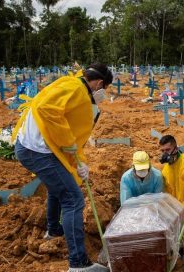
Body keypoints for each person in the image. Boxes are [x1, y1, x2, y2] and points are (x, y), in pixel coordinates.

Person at [12, 63, 113, 272]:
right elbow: (46, 109)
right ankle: (78, 263)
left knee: (59, 188)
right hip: (38, 150)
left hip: (40, 148)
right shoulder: (76, 89)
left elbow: (73, 134)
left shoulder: (74, 86)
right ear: (100, 83)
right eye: (105, 88)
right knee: (73, 199)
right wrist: (69, 144)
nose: (103, 93)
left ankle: (54, 230)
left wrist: (79, 163)